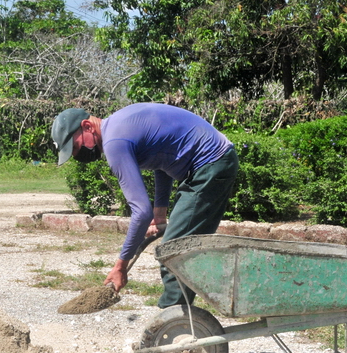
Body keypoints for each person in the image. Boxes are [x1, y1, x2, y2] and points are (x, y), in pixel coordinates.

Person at [52, 103, 239, 308]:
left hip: (210, 164)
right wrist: (160, 214)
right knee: (179, 248)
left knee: (174, 252)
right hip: (212, 163)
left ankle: (175, 325)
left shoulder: (115, 142)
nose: (78, 154)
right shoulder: (119, 125)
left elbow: (141, 213)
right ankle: (177, 321)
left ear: (87, 126)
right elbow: (162, 164)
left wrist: (121, 265)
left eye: (76, 147)